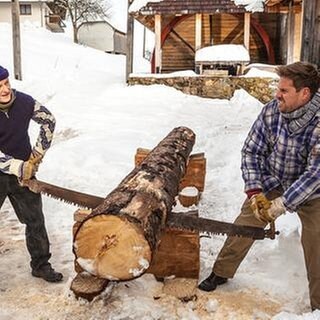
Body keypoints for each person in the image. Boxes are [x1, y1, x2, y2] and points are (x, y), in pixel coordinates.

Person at [198, 61, 320, 311]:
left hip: (313, 192)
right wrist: (255, 193)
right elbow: (252, 151)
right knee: (245, 223)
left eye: (284, 90)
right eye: (278, 88)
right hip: (274, 180)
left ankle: (318, 304)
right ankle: (221, 271)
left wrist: (283, 204)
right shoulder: (271, 111)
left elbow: (316, 173)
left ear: (304, 93)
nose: (277, 94)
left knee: (317, 241)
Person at [0, 65, 63, 282]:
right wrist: (18, 166)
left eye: (6, 83)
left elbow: (48, 120)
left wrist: (36, 155)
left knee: (35, 220)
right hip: (9, 170)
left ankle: (41, 265)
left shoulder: (25, 102)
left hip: (23, 173)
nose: (5, 90)